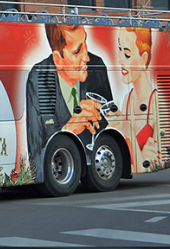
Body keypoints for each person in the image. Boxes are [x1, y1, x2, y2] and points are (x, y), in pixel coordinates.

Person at [25, 23, 113, 178]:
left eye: (85, 42)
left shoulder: (97, 66)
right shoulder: (39, 77)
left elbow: (110, 125)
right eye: (77, 51)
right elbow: (35, 154)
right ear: (58, 59)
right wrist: (68, 130)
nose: (86, 57)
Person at [117, 27, 159, 173]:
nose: (120, 58)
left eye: (127, 54)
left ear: (144, 58)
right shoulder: (126, 100)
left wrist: (128, 130)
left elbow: (151, 165)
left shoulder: (156, 102)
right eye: (119, 49)